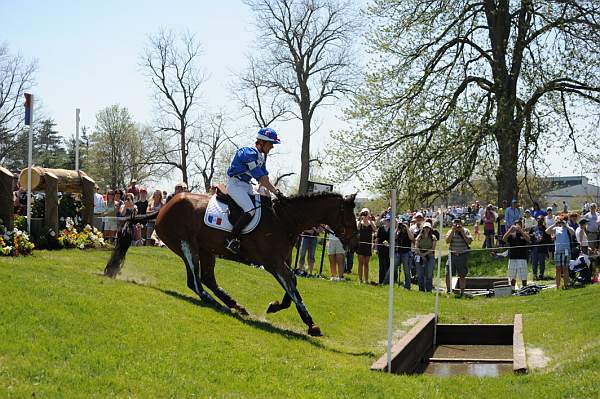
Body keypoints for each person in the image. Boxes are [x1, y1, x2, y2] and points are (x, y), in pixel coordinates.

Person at [224, 127, 284, 254]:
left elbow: (265, 177)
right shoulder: (249, 153)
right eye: (271, 144)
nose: (272, 147)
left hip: (245, 185)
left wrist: (275, 193)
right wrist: (276, 192)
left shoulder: (260, 157)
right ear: (262, 142)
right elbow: (261, 178)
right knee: (250, 210)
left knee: (264, 203)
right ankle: (231, 239)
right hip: (235, 185)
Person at [445, 218, 473, 295]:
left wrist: (462, 232)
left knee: (462, 275)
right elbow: (447, 241)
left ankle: (462, 292)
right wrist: (453, 231)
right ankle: (448, 291)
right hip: (452, 256)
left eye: (459, 223)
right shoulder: (450, 231)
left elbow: (469, 241)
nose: (457, 225)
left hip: (462, 256)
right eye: (455, 223)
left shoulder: (466, 230)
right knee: (448, 274)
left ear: (461, 223)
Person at [546, 216, 575, 289]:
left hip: (566, 250)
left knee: (565, 268)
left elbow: (573, 232)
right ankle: (558, 286)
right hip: (557, 251)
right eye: (559, 221)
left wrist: (566, 225)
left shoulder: (567, 228)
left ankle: (566, 285)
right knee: (558, 268)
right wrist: (554, 224)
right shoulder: (556, 229)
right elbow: (547, 231)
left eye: (561, 220)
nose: (560, 222)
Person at [503, 220, 530, 289]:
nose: (518, 226)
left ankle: (525, 288)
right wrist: (510, 230)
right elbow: (504, 239)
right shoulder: (511, 235)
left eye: (520, 224)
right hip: (512, 257)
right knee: (512, 275)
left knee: (523, 275)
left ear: (522, 225)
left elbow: (528, 239)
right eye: (516, 224)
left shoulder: (524, 233)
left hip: (522, 257)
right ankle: (512, 288)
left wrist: (521, 230)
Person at [415, 222, 437, 292]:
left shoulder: (433, 237)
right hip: (419, 255)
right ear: (423, 228)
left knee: (429, 273)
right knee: (420, 273)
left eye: (428, 228)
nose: (426, 229)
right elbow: (416, 247)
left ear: (430, 229)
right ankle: (421, 289)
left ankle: (429, 289)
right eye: (425, 228)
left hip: (430, 256)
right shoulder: (419, 236)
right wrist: (421, 255)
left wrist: (424, 255)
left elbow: (432, 249)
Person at [356, 208, 376, 284]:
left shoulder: (371, 222)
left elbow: (375, 229)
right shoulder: (359, 223)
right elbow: (357, 228)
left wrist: (370, 220)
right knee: (360, 263)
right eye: (364, 213)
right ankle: (360, 280)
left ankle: (366, 280)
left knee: (366, 264)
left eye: (366, 213)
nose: (365, 215)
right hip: (360, 245)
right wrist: (360, 218)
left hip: (368, 245)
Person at [375, 215, 392, 284]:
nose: (388, 222)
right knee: (381, 265)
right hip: (381, 248)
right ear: (384, 221)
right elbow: (377, 239)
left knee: (388, 264)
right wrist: (376, 248)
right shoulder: (381, 229)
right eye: (387, 220)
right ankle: (381, 280)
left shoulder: (392, 229)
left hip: (389, 249)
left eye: (389, 221)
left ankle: (387, 281)